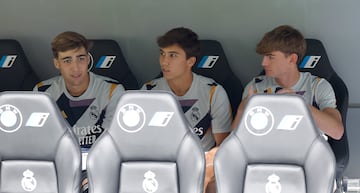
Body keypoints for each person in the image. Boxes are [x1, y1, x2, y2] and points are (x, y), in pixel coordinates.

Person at [141, 27, 232, 193]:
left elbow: (222, 146)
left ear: (190, 61)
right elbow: (141, 143)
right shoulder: (148, 91)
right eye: (162, 53)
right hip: (162, 163)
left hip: (201, 160)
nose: (164, 62)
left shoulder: (213, 91)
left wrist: (206, 167)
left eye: (172, 55)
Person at [33, 31, 125, 193]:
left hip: (99, 163)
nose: (75, 67)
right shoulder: (43, 92)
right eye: (67, 60)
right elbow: (39, 141)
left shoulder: (111, 90)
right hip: (59, 163)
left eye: (81, 59)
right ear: (56, 63)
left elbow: (114, 142)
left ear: (88, 59)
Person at [232, 25, 344, 141]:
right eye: (264, 56)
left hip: (309, 153)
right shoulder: (255, 87)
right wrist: (242, 109)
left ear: (292, 59)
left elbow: (337, 132)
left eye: (270, 57)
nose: (263, 63)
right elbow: (235, 140)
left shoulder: (318, 86)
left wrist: (298, 103)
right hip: (268, 151)